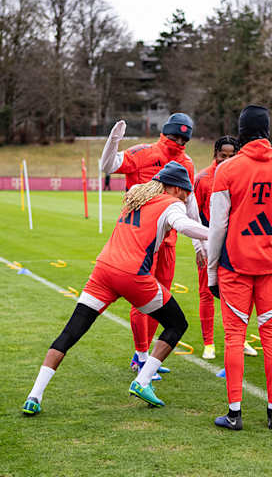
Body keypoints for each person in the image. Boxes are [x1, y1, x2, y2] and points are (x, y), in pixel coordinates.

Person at [21, 163, 208, 415]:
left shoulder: (137, 197)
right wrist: (219, 234)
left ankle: (34, 395)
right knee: (177, 324)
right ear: (175, 188)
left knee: (70, 332)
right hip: (133, 275)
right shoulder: (171, 203)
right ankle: (143, 381)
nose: (186, 198)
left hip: (103, 270)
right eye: (186, 192)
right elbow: (184, 226)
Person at [208, 105, 272, 430]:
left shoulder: (227, 170)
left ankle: (234, 414)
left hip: (234, 265)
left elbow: (217, 227)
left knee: (234, 337)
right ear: (268, 131)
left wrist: (211, 270)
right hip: (271, 265)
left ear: (241, 132)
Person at [99, 115, 201, 372]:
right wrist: (113, 140)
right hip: (140, 241)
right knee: (143, 298)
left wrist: (199, 245)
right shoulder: (143, 153)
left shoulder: (187, 163)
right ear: (165, 132)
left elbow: (190, 204)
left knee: (161, 299)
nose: (179, 142)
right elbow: (108, 165)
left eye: (184, 139)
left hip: (168, 241)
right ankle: (141, 355)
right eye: (175, 137)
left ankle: (144, 356)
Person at [193, 136, 238, 360]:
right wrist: (199, 245)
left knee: (238, 293)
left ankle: (239, 339)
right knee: (207, 292)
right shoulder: (202, 179)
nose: (226, 160)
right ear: (215, 154)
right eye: (223, 156)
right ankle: (208, 343)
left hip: (235, 244)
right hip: (209, 243)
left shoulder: (241, 176)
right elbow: (193, 214)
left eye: (231, 156)